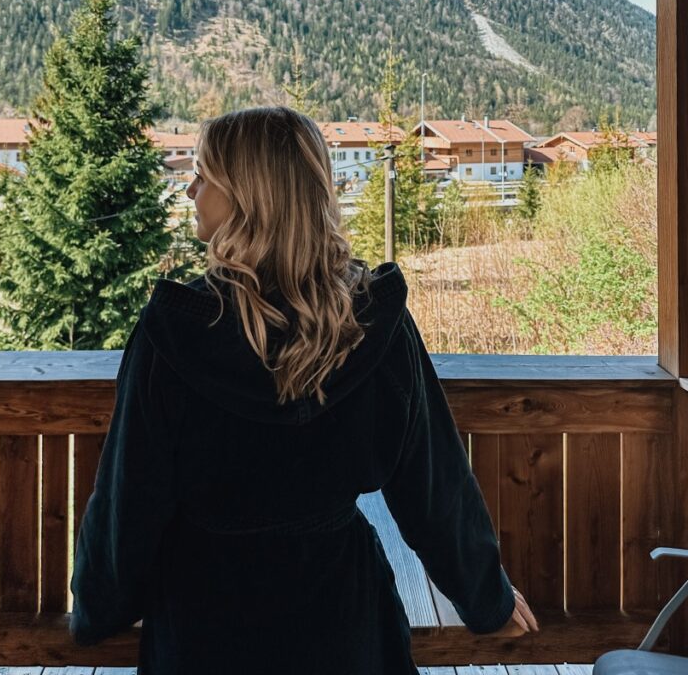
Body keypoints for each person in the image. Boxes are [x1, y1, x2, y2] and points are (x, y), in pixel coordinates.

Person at [70, 105, 538, 674]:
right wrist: (486, 599)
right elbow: (432, 480)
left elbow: (129, 498)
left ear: (248, 195)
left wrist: (97, 610)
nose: (189, 189)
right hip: (341, 617)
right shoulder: (371, 320)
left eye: (201, 174)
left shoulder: (174, 332)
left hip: (205, 623)